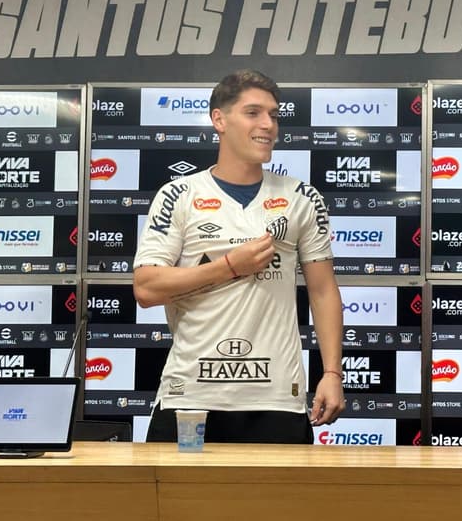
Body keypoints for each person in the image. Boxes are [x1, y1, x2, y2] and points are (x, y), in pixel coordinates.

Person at [134, 69, 344, 443]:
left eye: (274, 115)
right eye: (253, 113)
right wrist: (231, 266)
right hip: (192, 397)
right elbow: (147, 288)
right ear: (219, 119)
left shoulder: (302, 197)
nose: (268, 125)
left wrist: (331, 373)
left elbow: (323, 291)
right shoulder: (178, 194)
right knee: (181, 503)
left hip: (277, 398)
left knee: (280, 503)